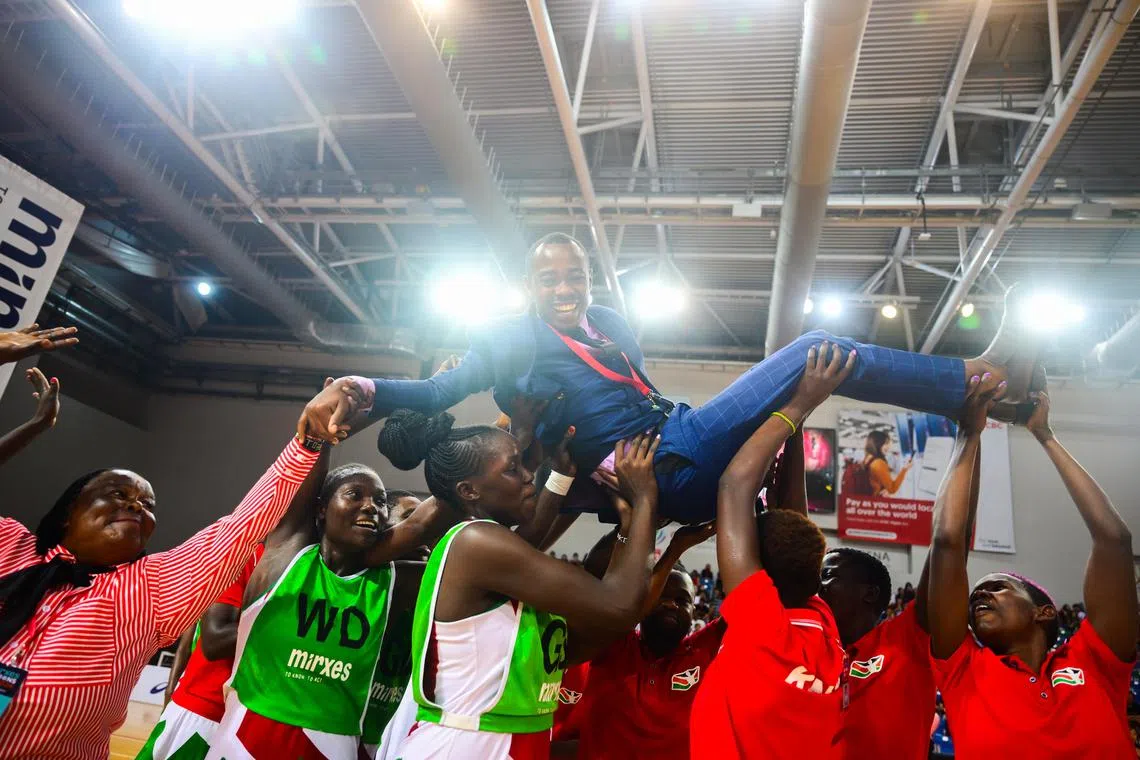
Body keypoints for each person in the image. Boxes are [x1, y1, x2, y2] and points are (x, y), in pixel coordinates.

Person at [329, 235, 1041, 523]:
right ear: (527, 286)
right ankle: (967, 379)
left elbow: (638, 386)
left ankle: (977, 401)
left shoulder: (609, 318)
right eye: (548, 278)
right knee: (816, 347)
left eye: (574, 274)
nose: (565, 286)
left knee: (813, 382)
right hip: (667, 462)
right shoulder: (511, 340)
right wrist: (367, 388)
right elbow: (435, 394)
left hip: (681, 441)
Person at [0, 373, 357, 760]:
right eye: (118, 494)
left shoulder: (147, 588)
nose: (137, 506)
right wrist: (33, 425)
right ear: (69, 511)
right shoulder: (11, 545)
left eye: (147, 504)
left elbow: (239, 527)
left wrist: (309, 442)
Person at [378, 410, 661, 759]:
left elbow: (574, 642)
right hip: (467, 744)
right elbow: (618, 606)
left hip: (506, 740)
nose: (529, 476)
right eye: (513, 468)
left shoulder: (494, 552)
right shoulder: (476, 542)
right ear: (468, 490)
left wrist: (624, 522)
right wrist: (646, 500)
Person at [928, 380, 1137, 758]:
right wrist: (969, 435)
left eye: (1000, 587)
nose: (980, 594)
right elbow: (947, 542)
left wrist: (1045, 435)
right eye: (978, 592)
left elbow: (1115, 541)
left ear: (1043, 611)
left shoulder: (1094, 660)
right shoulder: (963, 667)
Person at [691, 343, 853, 759]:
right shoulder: (819, 624)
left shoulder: (768, 627)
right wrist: (797, 420)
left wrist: (799, 404)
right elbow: (791, 517)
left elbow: (733, 484)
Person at [569, 534, 724, 760]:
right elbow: (595, 569)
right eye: (661, 596)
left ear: (694, 609)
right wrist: (644, 526)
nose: (671, 604)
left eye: (682, 600)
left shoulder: (704, 648)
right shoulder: (613, 643)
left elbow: (762, 585)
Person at [137, 546, 264, 759]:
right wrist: (170, 692)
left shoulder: (310, 568)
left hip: (253, 720)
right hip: (201, 711)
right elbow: (191, 644)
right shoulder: (243, 556)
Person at [863, 429, 912, 496]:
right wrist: (904, 469)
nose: (888, 447)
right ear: (877, 443)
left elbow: (872, 481)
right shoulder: (878, 463)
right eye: (886, 443)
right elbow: (892, 489)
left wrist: (882, 488)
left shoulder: (868, 458)